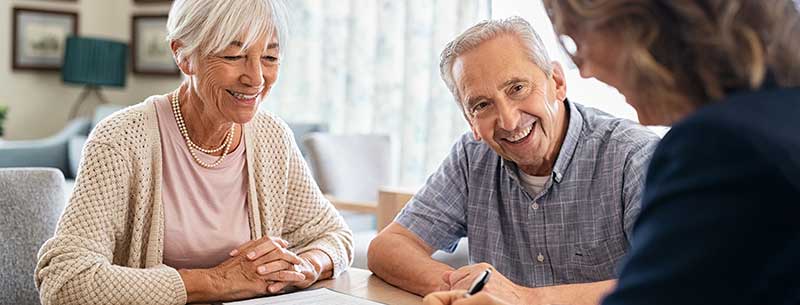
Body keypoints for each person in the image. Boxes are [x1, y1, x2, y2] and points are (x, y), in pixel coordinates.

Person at [431, 1, 800, 304]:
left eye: (579, 41)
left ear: (644, 26)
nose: (586, 70)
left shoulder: (717, 147)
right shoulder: (780, 116)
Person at [34, 1, 353, 304]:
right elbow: (65, 281)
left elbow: (334, 235)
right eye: (234, 55)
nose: (255, 78)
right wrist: (218, 282)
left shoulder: (272, 137)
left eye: (269, 58)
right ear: (184, 55)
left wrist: (305, 267)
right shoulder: (121, 140)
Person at [368, 17, 661, 305]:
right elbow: (387, 247)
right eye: (482, 105)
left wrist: (525, 299)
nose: (508, 120)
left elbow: (673, 282)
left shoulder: (634, 156)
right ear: (471, 121)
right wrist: (468, 289)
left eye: (517, 88)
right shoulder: (472, 157)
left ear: (557, 82)